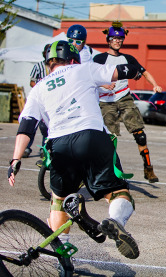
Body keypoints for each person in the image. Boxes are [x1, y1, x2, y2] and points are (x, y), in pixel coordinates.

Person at [8, 41, 141, 273]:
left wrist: (16, 159)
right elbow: (121, 71)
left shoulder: (39, 87)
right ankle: (116, 222)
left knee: (58, 200)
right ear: (72, 58)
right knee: (118, 192)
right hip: (92, 136)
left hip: (59, 143)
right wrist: (136, 69)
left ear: (49, 63)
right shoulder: (85, 68)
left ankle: (63, 261)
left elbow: (27, 126)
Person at [93, 22, 162, 183]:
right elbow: (90, 76)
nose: (117, 41)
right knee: (109, 138)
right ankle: (107, 170)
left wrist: (155, 84)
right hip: (106, 100)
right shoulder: (100, 58)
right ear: (108, 40)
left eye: (120, 39)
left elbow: (144, 72)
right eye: (114, 38)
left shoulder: (128, 59)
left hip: (124, 97)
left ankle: (148, 168)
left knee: (140, 134)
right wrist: (103, 84)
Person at [23, 44, 50, 159]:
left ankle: (44, 148)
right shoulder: (39, 66)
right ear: (44, 53)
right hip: (38, 99)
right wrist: (41, 87)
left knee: (46, 127)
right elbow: (32, 82)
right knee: (32, 125)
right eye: (47, 52)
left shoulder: (56, 66)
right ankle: (26, 147)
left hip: (49, 101)